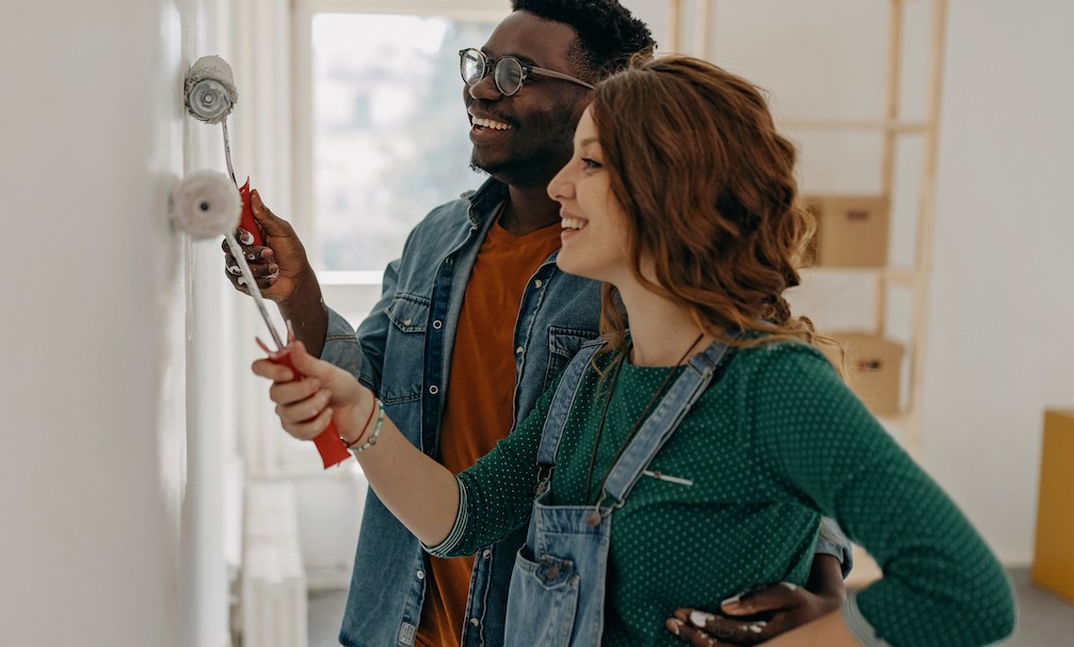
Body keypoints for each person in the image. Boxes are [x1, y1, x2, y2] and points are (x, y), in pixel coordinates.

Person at [253, 53, 1017, 646]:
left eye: (589, 163)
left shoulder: (773, 384)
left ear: (665, 188)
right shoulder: (592, 376)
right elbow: (460, 517)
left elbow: (966, 590)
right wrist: (358, 416)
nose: (559, 187)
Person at [228, 0, 850, 645]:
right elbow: (384, 403)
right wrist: (301, 296)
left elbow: (760, 416)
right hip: (404, 618)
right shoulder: (437, 240)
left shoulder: (627, 272)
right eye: (482, 64)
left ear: (602, 103)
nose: (482, 88)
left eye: (515, 73)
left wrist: (826, 588)